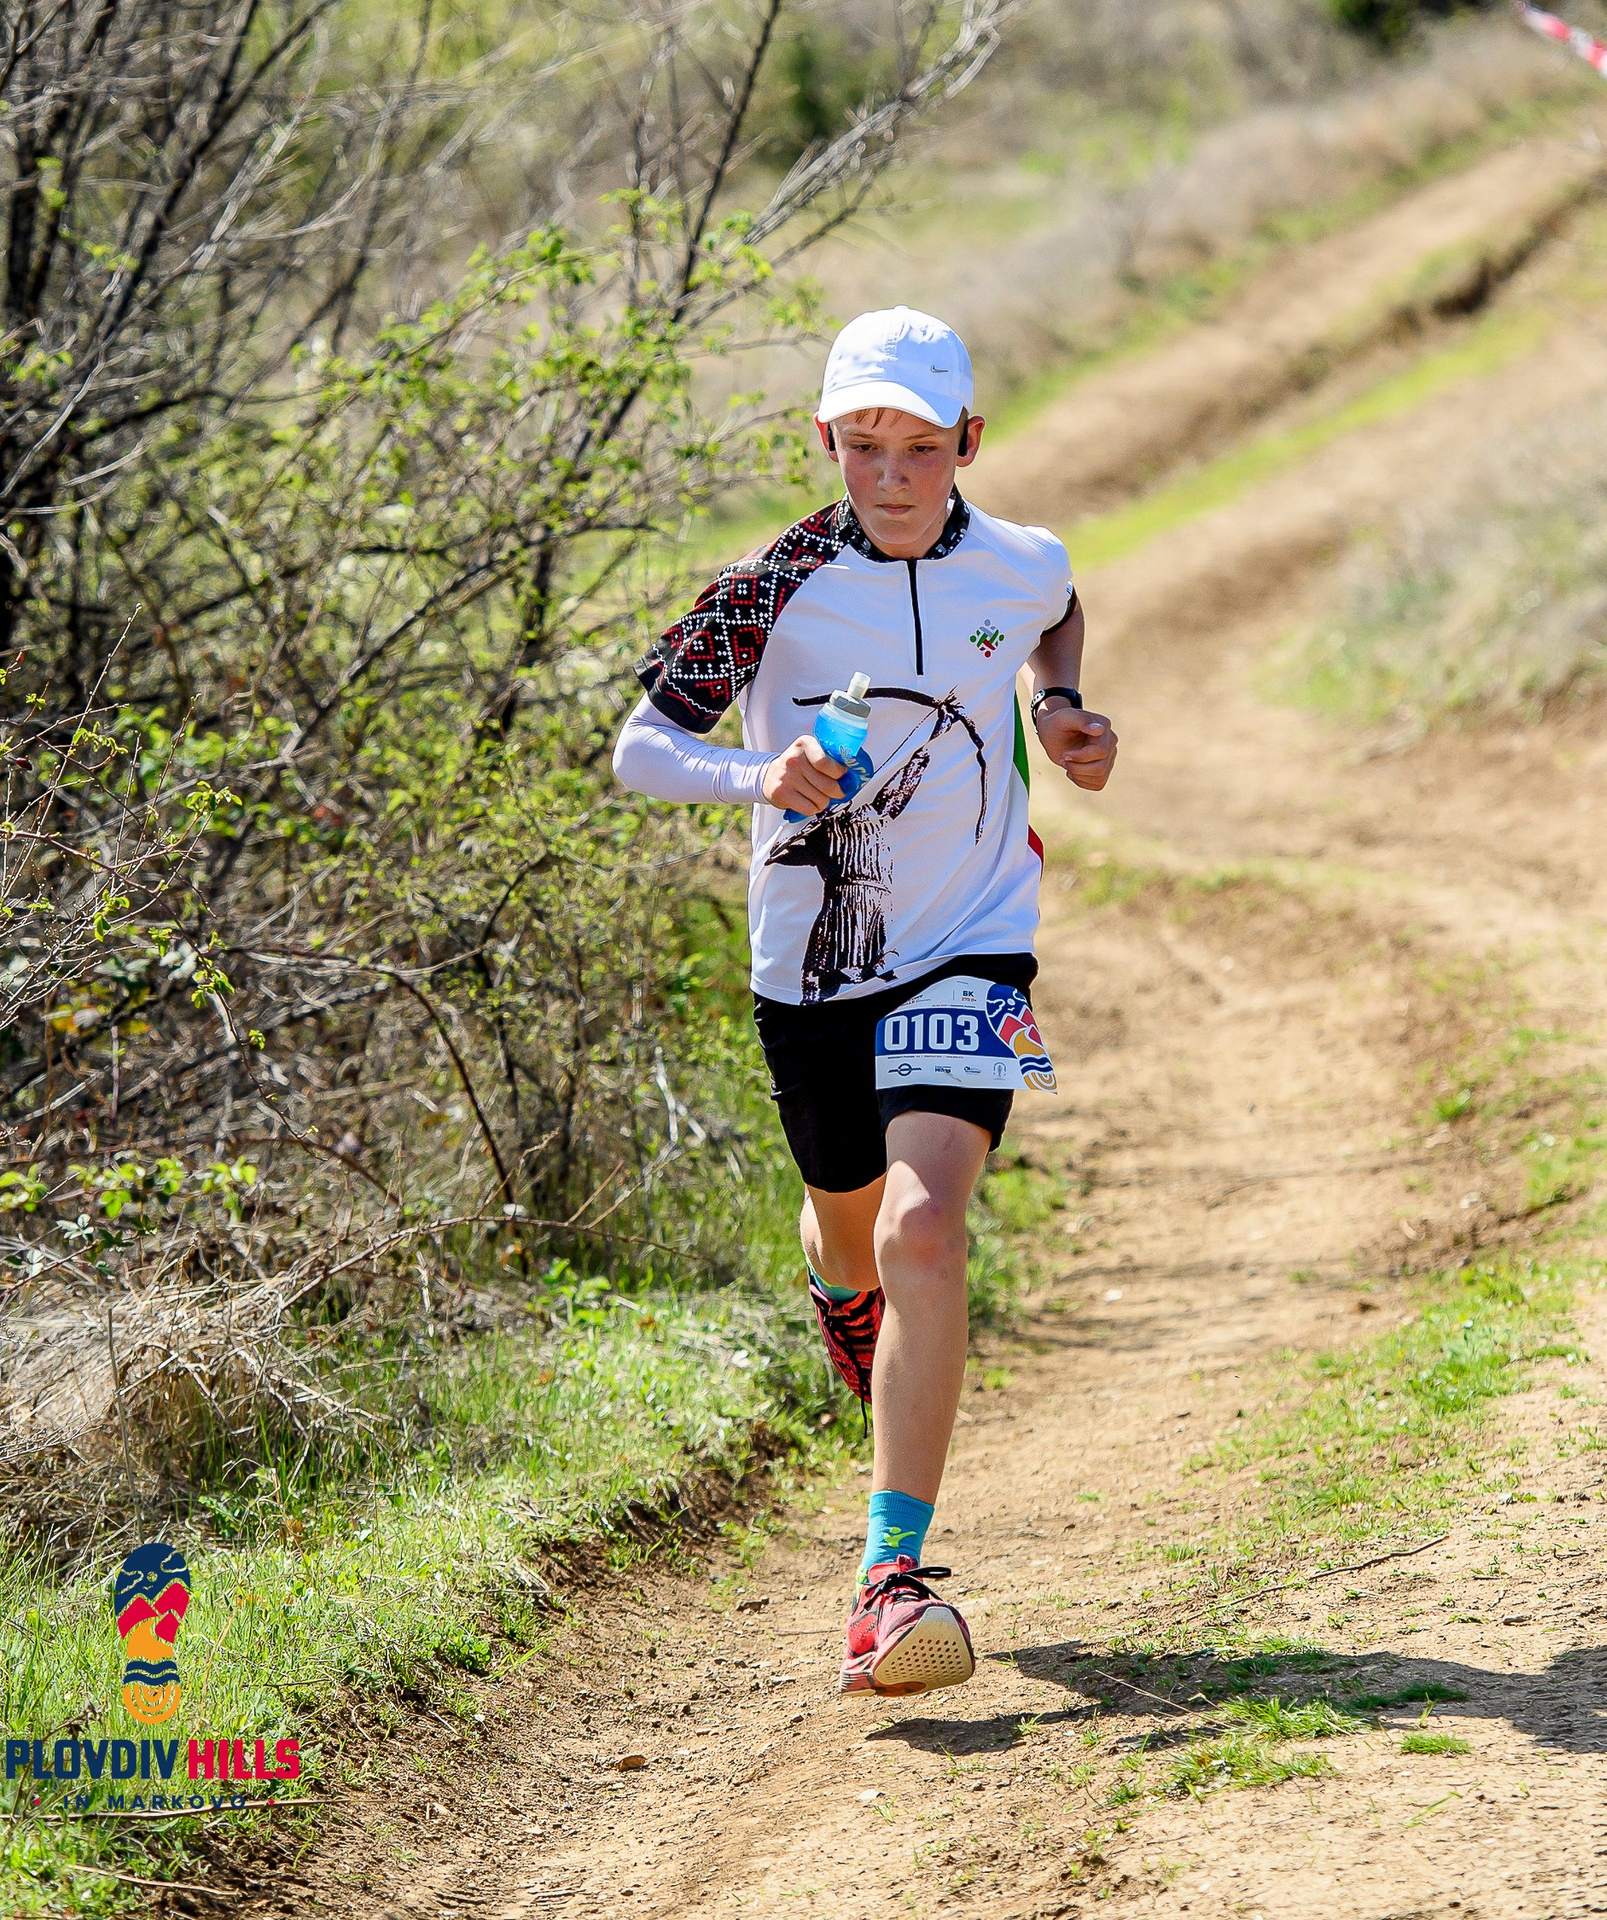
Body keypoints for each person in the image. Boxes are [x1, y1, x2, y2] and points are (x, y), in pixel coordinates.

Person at [612, 307, 1116, 1698]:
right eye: (860, 446)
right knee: (851, 1227)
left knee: (926, 1229)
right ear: (825, 441)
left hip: (977, 942)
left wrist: (1063, 706)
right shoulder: (771, 584)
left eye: (916, 446)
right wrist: (753, 779)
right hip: (813, 970)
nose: (888, 475)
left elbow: (1052, 608)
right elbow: (639, 746)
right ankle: (838, 1279)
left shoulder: (1020, 559)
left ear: (968, 441)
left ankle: (889, 1581)